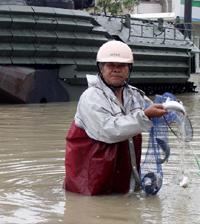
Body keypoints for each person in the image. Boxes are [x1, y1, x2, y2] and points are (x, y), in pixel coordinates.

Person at [63, 41, 168, 196]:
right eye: (111, 65)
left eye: (122, 66)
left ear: (129, 69)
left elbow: (152, 110)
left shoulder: (134, 94)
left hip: (121, 174)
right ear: (101, 67)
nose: (116, 70)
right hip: (91, 177)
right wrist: (146, 116)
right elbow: (108, 130)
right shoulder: (91, 97)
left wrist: (167, 112)